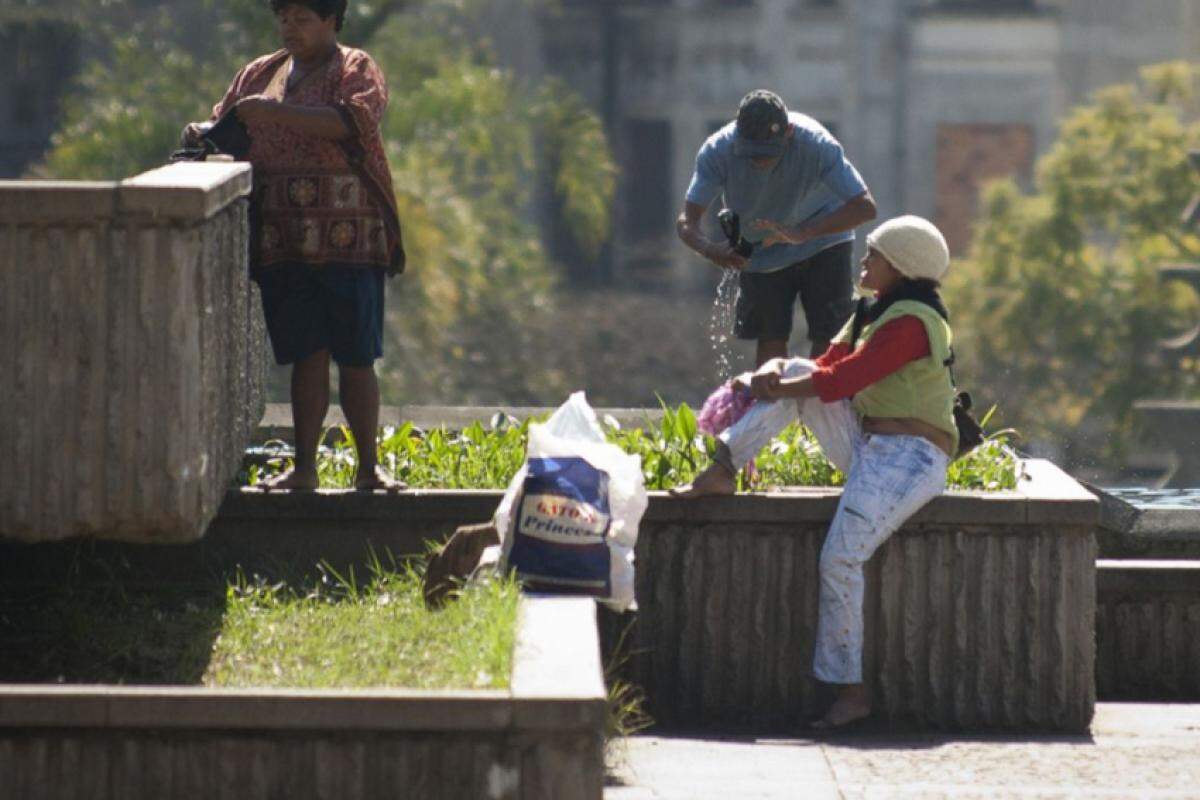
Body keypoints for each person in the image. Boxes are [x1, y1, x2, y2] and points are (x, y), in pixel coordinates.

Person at [673, 216, 957, 730]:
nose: (865, 262)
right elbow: (825, 364)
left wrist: (776, 387)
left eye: (874, 255)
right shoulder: (872, 311)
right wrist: (770, 374)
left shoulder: (914, 322)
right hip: (871, 444)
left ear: (902, 265)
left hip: (910, 456)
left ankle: (851, 692)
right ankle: (723, 466)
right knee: (797, 370)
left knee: (841, 559)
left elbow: (850, 377)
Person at [183, 0, 405, 492]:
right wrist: (202, 133)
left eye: (303, 19)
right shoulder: (260, 73)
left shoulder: (355, 67)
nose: (291, 28)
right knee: (307, 354)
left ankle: (368, 470)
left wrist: (277, 114)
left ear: (331, 22)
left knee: (356, 357)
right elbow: (227, 127)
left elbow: (354, 121)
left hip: (349, 233)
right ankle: (304, 470)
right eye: (284, 18)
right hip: (285, 236)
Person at [676, 90, 876, 364]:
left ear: (789, 132)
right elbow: (687, 222)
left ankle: (819, 404)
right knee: (770, 336)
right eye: (752, 154)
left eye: (769, 153)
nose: (761, 161)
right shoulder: (718, 151)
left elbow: (865, 207)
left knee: (829, 334)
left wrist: (804, 232)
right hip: (762, 249)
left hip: (823, 238)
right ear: (737, 137)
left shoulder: (817, 144)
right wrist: (711, 250)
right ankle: (772, 404)